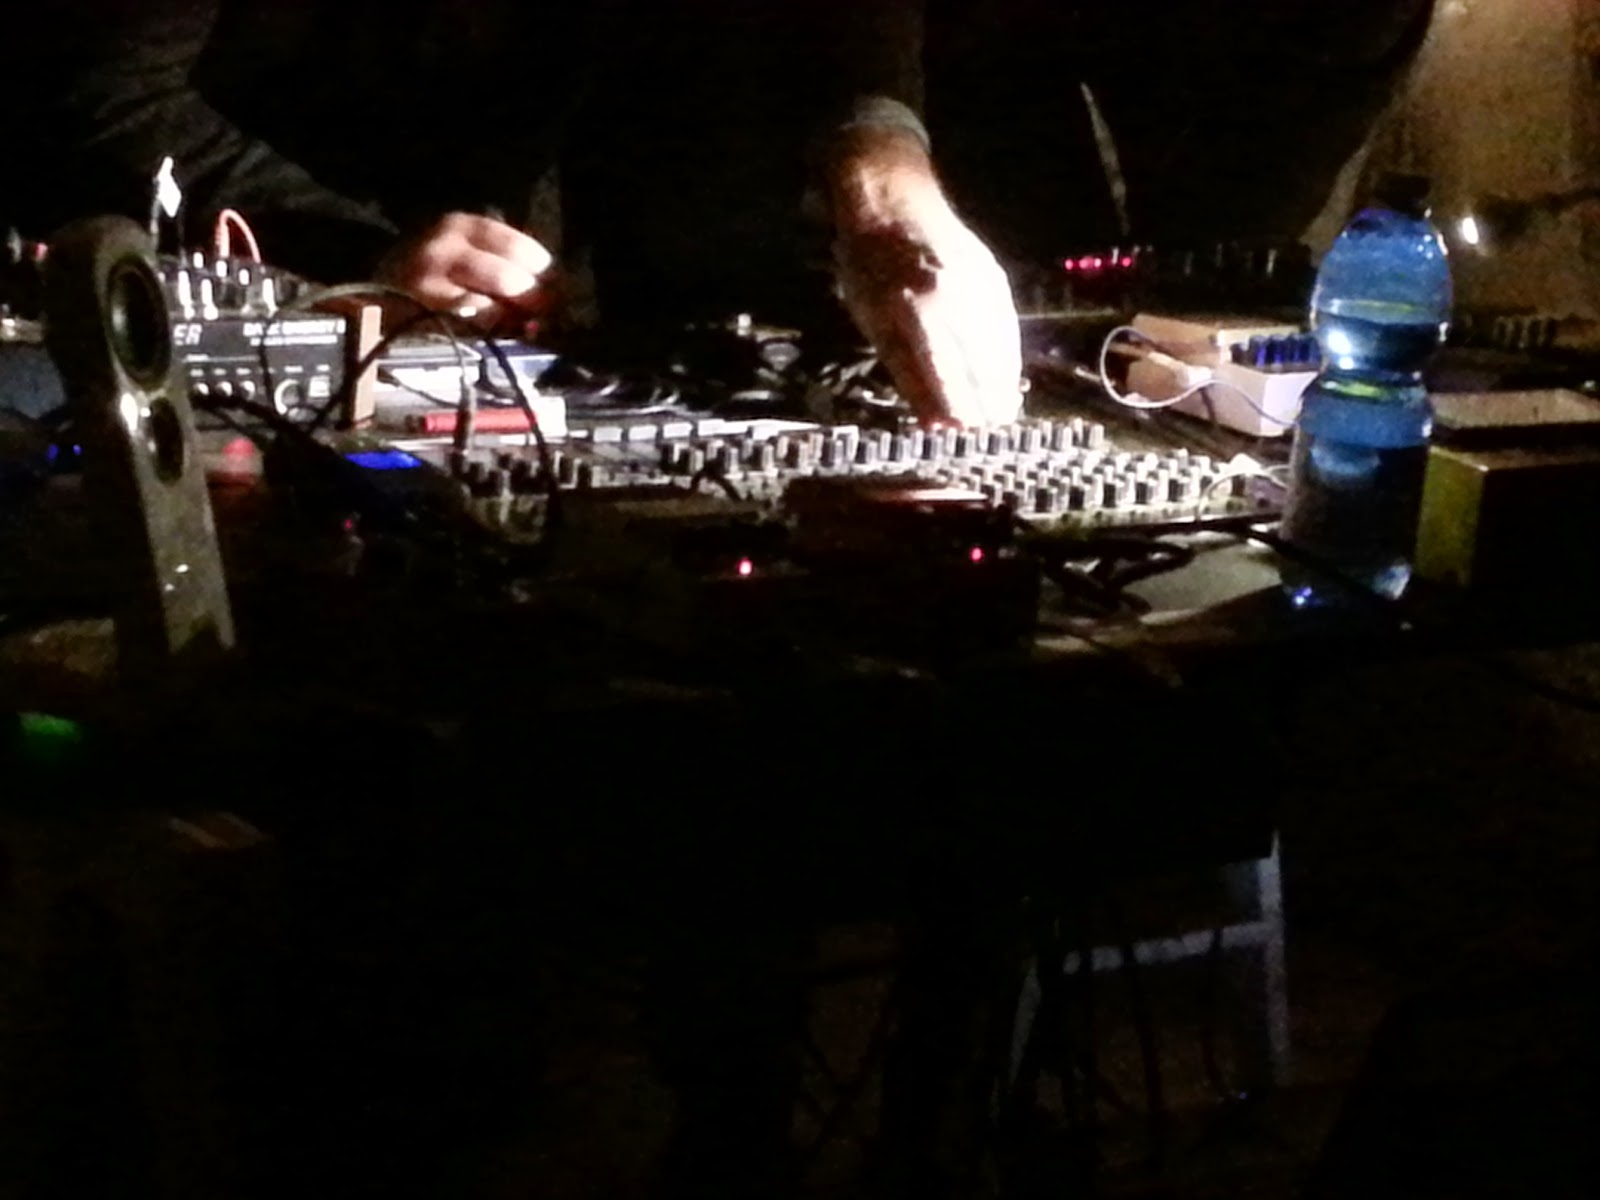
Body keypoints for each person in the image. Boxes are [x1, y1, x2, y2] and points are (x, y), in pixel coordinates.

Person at [5, 0, 1023, 428]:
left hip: (527, 290)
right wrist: (357, 251)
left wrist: (885, 177)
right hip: (270, 292)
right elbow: (103, 92)